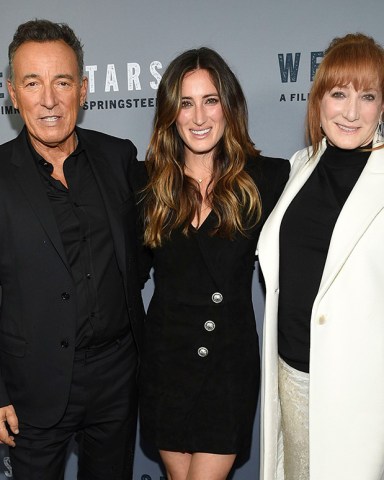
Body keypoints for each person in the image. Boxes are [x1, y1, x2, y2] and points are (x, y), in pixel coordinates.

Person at [1, 19, 144, 479]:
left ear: (83, 89)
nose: (48, 99)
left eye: (62, 82)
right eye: (32, 83)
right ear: (11, 92)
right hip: (32, 386)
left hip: (117, 376)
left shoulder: (118, 157)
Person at [137, 47, 289, 480]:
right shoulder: (147, 184)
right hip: (166, 365)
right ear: (170, 112)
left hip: (226, 367)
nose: (199, 117)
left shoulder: (267, 178)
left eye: (210, 100)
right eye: (186, 103)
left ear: (229, 106)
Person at [258, 33, 384, 480]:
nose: (351, 112)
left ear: (382, 106)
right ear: (318, 101)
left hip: (361, 393)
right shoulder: (299, 166)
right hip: (292, 377)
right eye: (339, 93)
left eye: (367, 96)